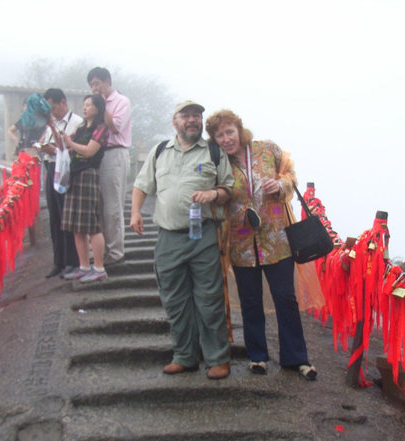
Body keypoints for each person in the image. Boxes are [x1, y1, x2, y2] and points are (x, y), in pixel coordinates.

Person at [205, 109, 317, 380]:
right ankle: (257, 356)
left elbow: (291, 177)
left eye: (229, 131)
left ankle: (296, 358)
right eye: (219, 135)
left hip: (277, 239)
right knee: (250, 301)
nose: (226, 139)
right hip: (241, 243)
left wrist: (279, 185)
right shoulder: (220, 163)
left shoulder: (268, 150)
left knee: (285, 299)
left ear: (240, 130)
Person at [131, 101, 234, 380]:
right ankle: (185, 356)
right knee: (174, 300)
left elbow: (228, 187)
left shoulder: (213, 151)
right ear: (174, 121)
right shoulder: (160, 151)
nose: (192, 120)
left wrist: (214, 194)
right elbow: (142, 185)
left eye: (197, 116)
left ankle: (218, 358)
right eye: (186, 115)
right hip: (168, 237)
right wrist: (135, 213)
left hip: (203, 235)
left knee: (209, 299)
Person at [61, 95, 110, 283]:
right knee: (76, 225)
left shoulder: (101, 129)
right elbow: (67, 147)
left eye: (89, 105)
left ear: (98, 108)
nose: (85, 108)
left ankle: (99, 267)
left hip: (89, 174)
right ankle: (84, 266)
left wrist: (71, 144)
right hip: (75, 175)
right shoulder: (81, 129)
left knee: (91, 224)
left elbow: (89, 151)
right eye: (84, 104)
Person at [87, 67, 132, 266]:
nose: (94, 88)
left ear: (108, 82)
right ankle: (101, 252)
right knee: (99, 206)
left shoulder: (121, 101)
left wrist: (102, 104)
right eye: (91, 85)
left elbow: (115, 126)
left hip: (114, 154)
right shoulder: (94, 104)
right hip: (97, 155)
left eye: (97, 83)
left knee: (113, 207)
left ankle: (116, 252)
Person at [39, 88, 83, 278]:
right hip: (51, 169)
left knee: (67, 216)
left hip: (66, 170)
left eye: (53, 107)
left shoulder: (77, 122)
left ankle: (73, 261)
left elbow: (74, 149)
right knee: (55, 217)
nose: (52, 112)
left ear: (63, 102)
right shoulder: (50, 123)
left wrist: (55, 151)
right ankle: (59, 261)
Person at [7, 93, 51, 157]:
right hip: (23, 149)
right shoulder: (22, 120)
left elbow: (48, 128)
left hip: (35, 149)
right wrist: (17, 140)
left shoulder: (39, 119)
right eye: (25, 106)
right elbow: (10, 130)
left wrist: (41, 140)